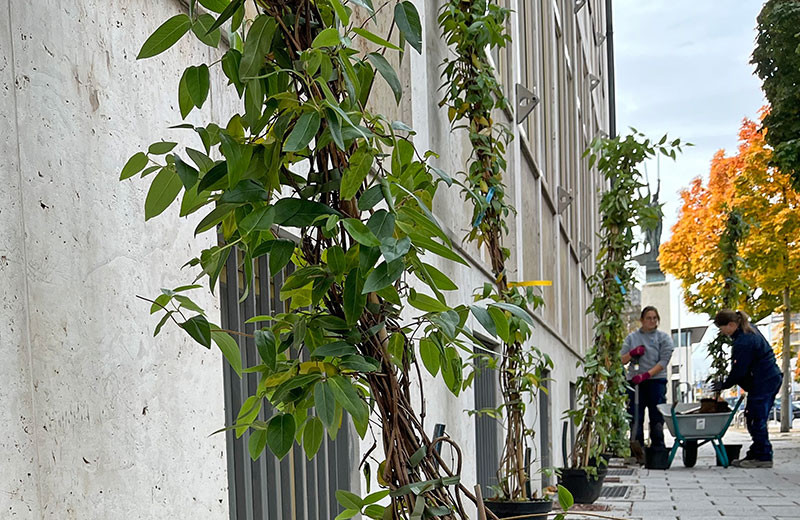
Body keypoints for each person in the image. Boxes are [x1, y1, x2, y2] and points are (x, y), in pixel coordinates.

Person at [710, 309, 782, 468]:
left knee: (756, 418)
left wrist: (725, 384)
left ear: (731, 324)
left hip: (764, 380)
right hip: (769, 378)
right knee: (755, 416)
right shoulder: (749, 329)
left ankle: (763, 456)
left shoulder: (744, 341)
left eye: (722, 329)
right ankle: (757, 452)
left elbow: (739, 370)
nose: (723, 333)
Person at [621, 306, 674, 451]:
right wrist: (632, 353)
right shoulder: (632, 338)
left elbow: (663, 362)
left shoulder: (663, 338)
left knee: (656, 414)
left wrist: (646, 375)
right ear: (642, 320)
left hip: (655, 382)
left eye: (654, 318)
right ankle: (637, 448)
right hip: (635, 383)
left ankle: (657, 447)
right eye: (648, 318)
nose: (652, 321)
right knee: (635, 415)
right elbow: (621, 359)